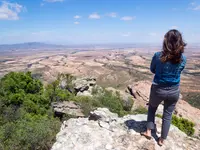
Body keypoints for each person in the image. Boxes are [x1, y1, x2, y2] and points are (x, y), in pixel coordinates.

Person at [141, 29, 187, 146]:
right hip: (174, 90)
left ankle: (148, 131)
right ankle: (162, 139)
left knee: (152, 108)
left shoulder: (158, 56)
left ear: (165, 41)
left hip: (158, 89)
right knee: (168, 115)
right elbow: (180, 71)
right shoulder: (183, 58)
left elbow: (152, 69)